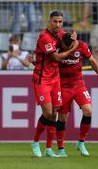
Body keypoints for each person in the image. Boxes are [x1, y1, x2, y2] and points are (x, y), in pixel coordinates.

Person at [54, 33, 98, 157]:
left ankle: (81, 142)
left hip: (79, 85)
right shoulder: (57, 47)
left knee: (88, 111)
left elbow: (92, 61)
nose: (67, 49)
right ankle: (61, 149)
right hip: (63, 87)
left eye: (69, 47)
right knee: (62, 117)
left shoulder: (82, 46)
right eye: (65, 47)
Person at [31, 11, 79, 158]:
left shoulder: (61, 34)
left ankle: (49, 149)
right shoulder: (44, 37)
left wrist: (74, 38)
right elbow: (56, 57)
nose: (58, 25)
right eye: (55, 21)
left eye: (60, 22)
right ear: (49, 21)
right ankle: (35, 142)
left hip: (55, 79)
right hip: (42, 79)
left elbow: (70, 40)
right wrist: (72, 48)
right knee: (47, 112)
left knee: (54, 114)